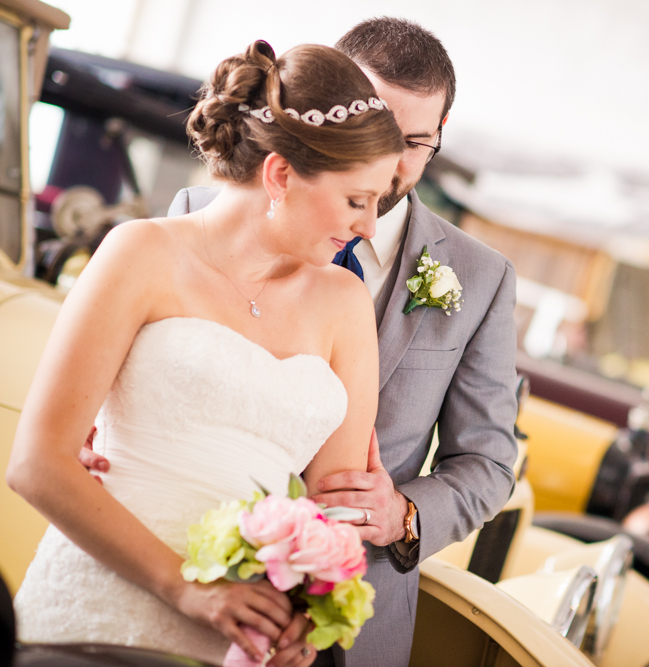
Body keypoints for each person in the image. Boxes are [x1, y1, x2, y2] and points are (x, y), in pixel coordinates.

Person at [7, 40, 405, 667]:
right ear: (279, 175)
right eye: (358, 200)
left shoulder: (345, 303)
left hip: (238, 644)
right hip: (93, 621)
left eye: (380, 201)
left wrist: (313, 611)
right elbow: (37, 464)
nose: (370, 227)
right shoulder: (141, 253)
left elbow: (335, 504)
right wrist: (187, 588)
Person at [152, 18, 521, 666]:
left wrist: (404, 513)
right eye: (379, 131)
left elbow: (490, 462)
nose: (397, 165)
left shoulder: (481, 279)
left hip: (349, 623)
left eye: (417, 142)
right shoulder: (198, 213)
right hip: (180, 563)